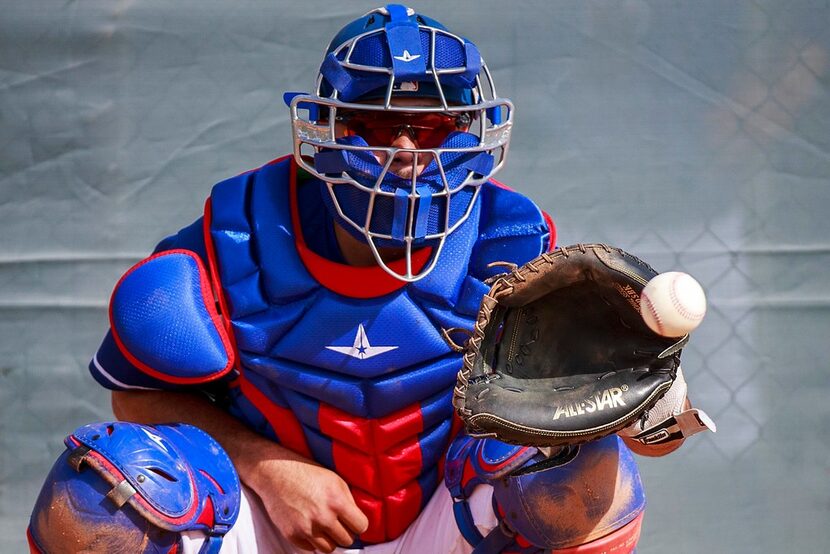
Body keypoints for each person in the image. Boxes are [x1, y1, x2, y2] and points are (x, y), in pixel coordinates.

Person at [28, 5, 712, 553]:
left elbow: (607, 431)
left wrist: (641, 414)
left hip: (442, 523)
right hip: (282, 526)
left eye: (431, 124)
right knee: (105, 490)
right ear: (324, 127)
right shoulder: (239, 237)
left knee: (576, 472)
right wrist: (270, 470)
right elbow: (136, 401)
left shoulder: (509, 244)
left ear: (470, 134)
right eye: (374, 124)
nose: (407, 150)